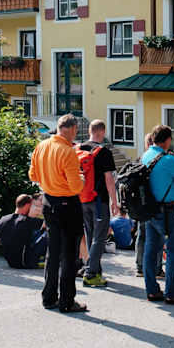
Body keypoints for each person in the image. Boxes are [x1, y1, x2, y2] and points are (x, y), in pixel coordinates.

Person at [29, 114, 87, 314]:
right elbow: (75, 187)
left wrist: (51, 179)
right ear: (71, 129)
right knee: (69, 254)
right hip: (67, 203)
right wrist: (81, 179)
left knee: (53, 252)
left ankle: (49, 297)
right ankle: (67, 300)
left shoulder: (42, 146)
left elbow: (33, 175)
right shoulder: (67, 151)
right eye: (76, 130)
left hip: (48, 200)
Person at [141, 125, 174, 304]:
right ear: (167, 140)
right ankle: (172, 292)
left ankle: (152, 290)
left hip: (150, 209)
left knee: (150, 249)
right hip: (167, 210)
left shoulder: (146, 155)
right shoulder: (168, 159)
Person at [79, 119, 120, 288]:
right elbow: (109, 179)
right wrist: (114, 201)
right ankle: (90, 273)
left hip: (82, 199)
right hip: (99, 200)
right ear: (102, 132)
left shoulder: (79, 149)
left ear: (90, 131)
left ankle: (96, 271)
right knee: (100, 237)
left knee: (90, 235)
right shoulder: (104, 152)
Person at [0, 194, 48, 269]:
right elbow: (49, 223)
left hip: (10, 263)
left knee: (33, 233)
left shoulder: (3, 219)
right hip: (25, 263)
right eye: (31, 206)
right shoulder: (28, 221)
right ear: (27, 205)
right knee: (48, 232)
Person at [135, 132, 162, 279]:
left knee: (142, 234)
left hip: (141, 202)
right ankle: (156, 268)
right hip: (155, 201)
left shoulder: (141, 158)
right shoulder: (158, 158)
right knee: (157, 236)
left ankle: (139, 266)